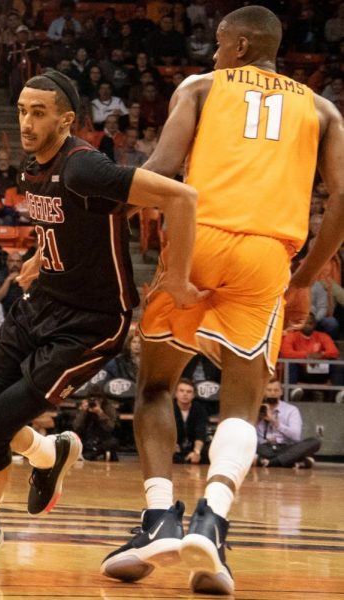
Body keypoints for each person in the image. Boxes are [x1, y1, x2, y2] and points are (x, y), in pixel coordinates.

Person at [102, 7, 344, 596]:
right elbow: (342, 199)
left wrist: (97, 223)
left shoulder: (203, 87)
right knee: (242, 402)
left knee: (157, 386)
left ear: (238, 45)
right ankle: (213, 521)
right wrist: (304, 276)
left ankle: (160, 518)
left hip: (196, 239)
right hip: (267, 254)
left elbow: (159, 171)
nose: (212, 54)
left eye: (216, 44)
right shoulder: (323, 109)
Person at [0, 70, 199, 572]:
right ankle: (47, 454)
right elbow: (86, 215)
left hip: (90, 321)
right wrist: (43, 253)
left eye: (38, 112)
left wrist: (176, 278)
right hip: (40, 305)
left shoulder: (84, 167)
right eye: (21, 110)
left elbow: (180, 197)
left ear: (66, 120)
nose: (26, 121)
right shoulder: (34, 166)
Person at [256, 378, 321, 468]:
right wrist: (258, 418)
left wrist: (275, 422)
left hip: (285, 447)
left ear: (281, 392)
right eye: (269, 390)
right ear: (264, 392)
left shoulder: (291, 410)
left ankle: (270, 462)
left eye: (276, 390)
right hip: (264, 448)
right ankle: (292, 461)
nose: (272, 393)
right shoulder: (256, 409)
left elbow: (296, 436)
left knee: (314, 442)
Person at [73, 387, 119, 461]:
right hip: (86, 438)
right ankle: (91, 453)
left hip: (103, 438)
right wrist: (83, 412)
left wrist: (100, 413)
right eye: (92, 398)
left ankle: (89, 454)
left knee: (113, 443)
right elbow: (76, 427)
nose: (95, 400)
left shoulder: (109, 408)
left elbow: (110, 427)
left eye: (98, 398)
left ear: (102, 399)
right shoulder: (84, 406)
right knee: (73, 440)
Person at [172, 378, 209, 464]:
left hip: (193, 446)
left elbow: (201, 432)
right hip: (174, 447)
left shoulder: (199, 409)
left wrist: (197, 452)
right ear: (176, 393)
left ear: (193, 395)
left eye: (189, 392)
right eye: (181, 391)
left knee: (209, 451)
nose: (185, 394)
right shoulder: (169, 408)